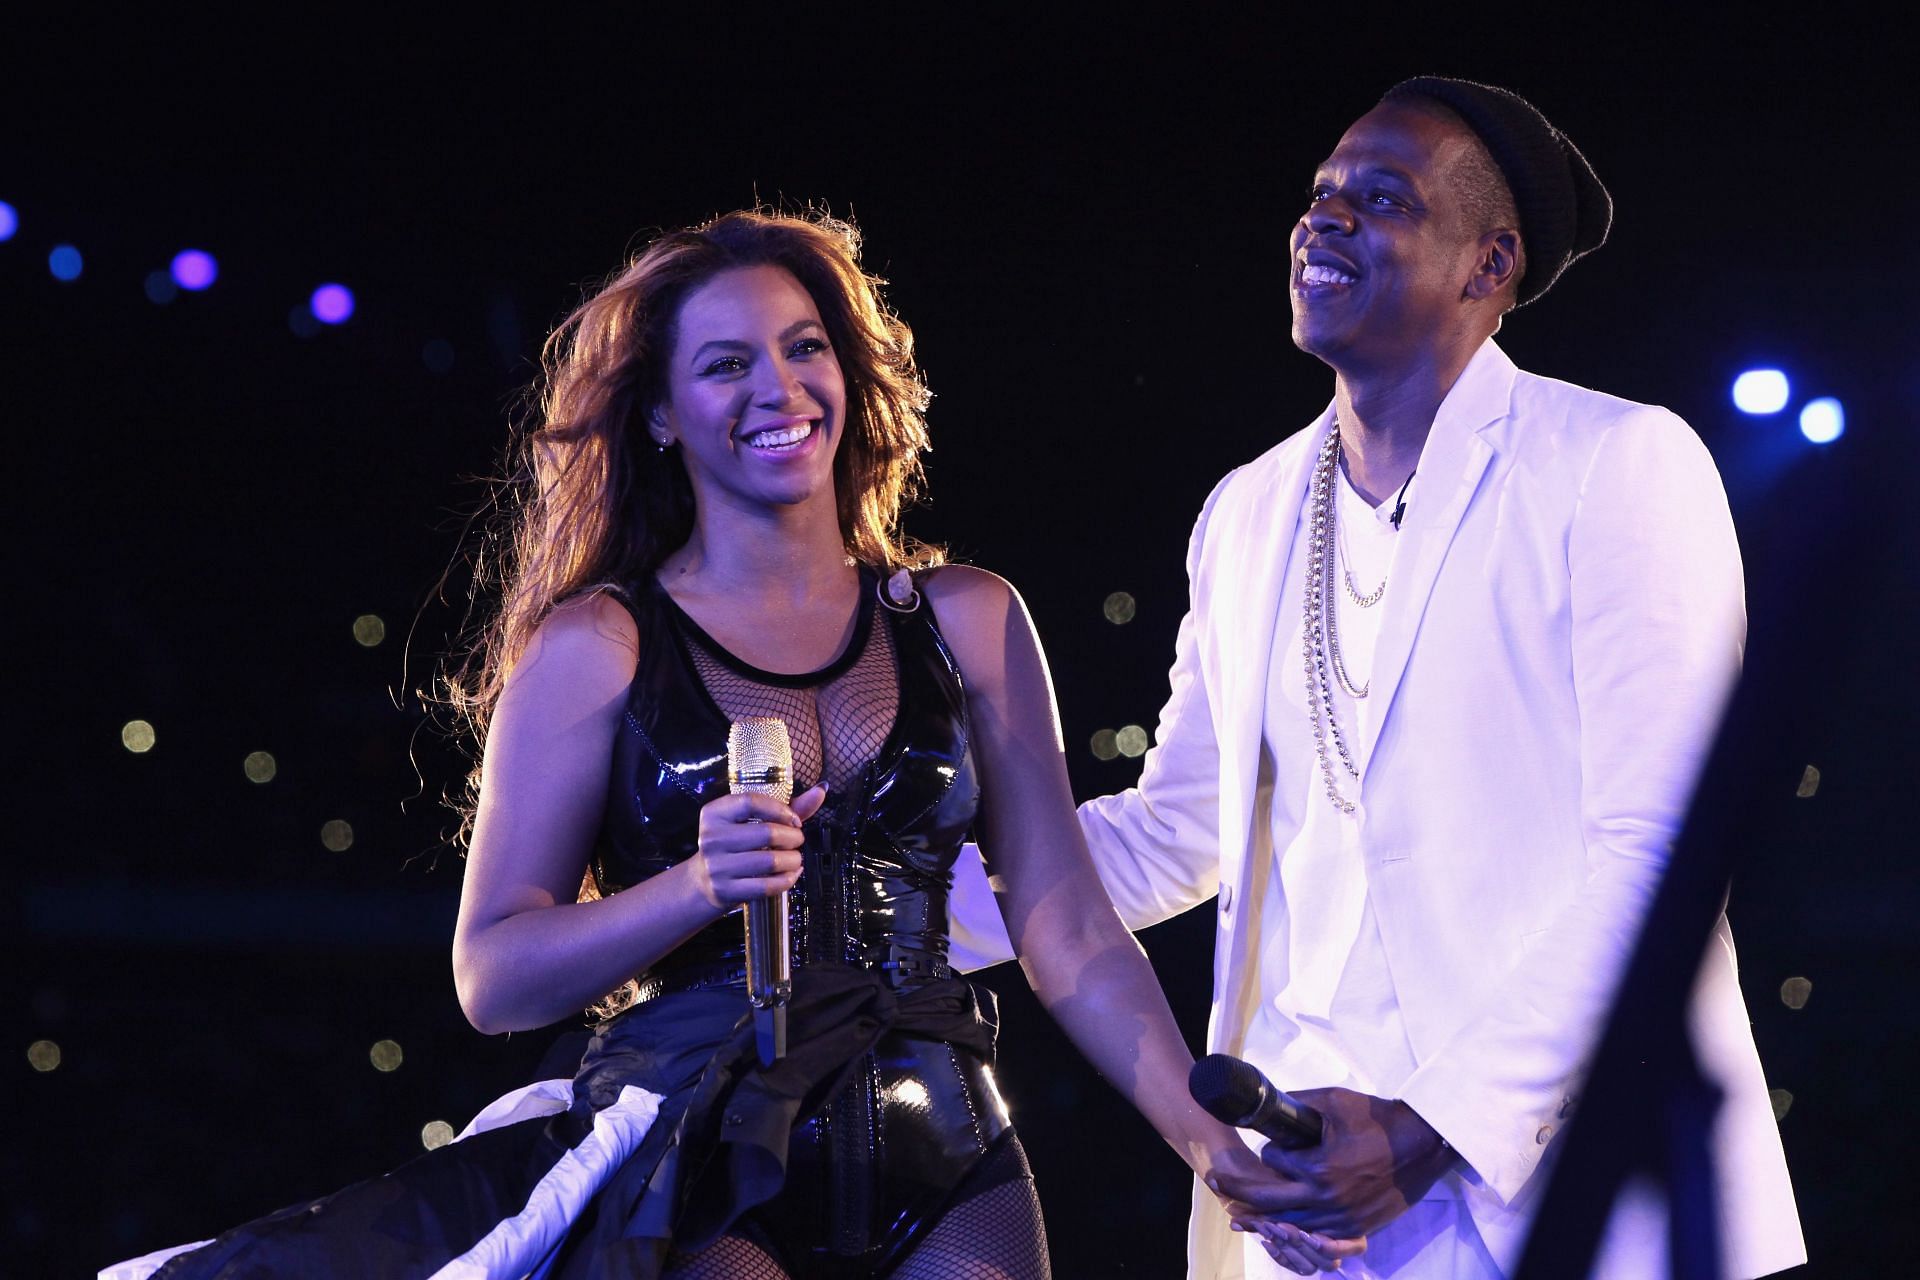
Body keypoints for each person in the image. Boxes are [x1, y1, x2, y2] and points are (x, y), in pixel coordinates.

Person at [102, 209, 1298, 1280]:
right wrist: (692, 885)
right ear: (665, 414)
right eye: (726, 365)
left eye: (804, 346)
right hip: (701, 1151)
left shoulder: (970, 619)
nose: (778, 388)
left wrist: (1205, 1138)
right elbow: (493, 973)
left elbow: (1070, 926)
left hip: (949, 1148)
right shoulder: (600, 645)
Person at [949, 78, 1805, 1278]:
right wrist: (884, 913)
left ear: (1489, 262)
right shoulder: (1246, 511)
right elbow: (1177, 829)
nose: (1324, 220)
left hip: (1579, 1197)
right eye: (1320, 196)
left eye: (1382, 200)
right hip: (1315, 1205)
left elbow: (1664, 852)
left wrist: (1425, 1127)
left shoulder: (1616, 464)